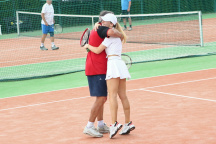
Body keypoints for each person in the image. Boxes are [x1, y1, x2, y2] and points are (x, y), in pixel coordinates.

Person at [84, 13, 135, 139]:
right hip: (120, 65)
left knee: (111, 96)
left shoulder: (108, 36)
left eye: (104, 21)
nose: (101, 22)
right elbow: (118, 33)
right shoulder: (116, 35)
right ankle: (127, 123)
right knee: (123, 96)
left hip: (112, 65)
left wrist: (87, 46)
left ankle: (113, 124)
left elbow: (97, 50)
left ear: (111, 24)